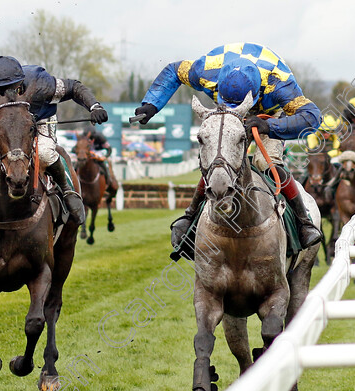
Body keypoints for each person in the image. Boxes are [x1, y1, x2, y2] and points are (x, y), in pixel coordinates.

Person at [135, 42, 323, 249]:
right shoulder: (205, 70)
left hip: (269, 115)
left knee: (265, 162)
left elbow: (312, 117)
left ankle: (303, 221)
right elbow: (174, 71)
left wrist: (268, 126)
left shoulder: (279, 83)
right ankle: (189, 218)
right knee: (219, 159)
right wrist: (151, 104)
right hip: (225, 112)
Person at [0, 56, 108, 223]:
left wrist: (94, 106)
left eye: (11, 88)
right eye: (1, 90)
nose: (7, 93)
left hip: (39, 121)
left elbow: (74, 87)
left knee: (45, 153)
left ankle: (67, 189)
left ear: (21, 83)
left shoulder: (40, 83)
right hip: (2, 126)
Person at [80, 126, 118, 195]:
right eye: (88, 139)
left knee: (104, 166)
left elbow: (109, 149)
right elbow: (75, 148)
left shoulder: (100, 138)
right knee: (77, 166)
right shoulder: (82, 139)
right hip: (88, 156)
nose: (89, 140)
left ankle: (107, 182)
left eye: (91, 139)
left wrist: (104, 157)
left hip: (99, 155)